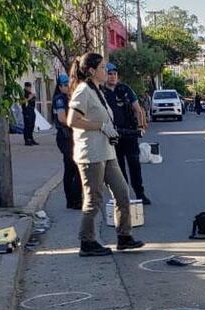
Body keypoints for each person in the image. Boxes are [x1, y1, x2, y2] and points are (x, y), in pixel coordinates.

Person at [67, 52, 145, 257]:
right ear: (91, 71)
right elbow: (72, 120)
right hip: (91, 153)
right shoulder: (83, 90)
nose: (106, 71)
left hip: (106, 151)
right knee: (93, 199)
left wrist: (110, 130)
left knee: (122, 192)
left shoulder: (98, 90)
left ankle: (124, 236)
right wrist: (100, 126)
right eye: (102, 68)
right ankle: (87, 241)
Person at [102, 63, 151, 205]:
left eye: (114, 74)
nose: (112, 76)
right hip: (113, 134)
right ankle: (124, 196)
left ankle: (140, 194)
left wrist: (141, 126)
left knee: (135, 164)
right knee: (119, 168)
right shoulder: (101, 92)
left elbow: (137, 109)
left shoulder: (124, 89)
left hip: (129, 133)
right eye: (109, 74)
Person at [52, 74, 82, 209]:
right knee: (75, 168)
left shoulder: (70, 98)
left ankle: (72, 200)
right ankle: (74, 200)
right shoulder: (60, 99)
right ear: (59, 87)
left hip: (72, 136)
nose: (68, 87)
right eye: (64, 85)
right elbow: (62, 118)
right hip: (65, 137)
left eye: (69, 84)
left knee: (71, 169)